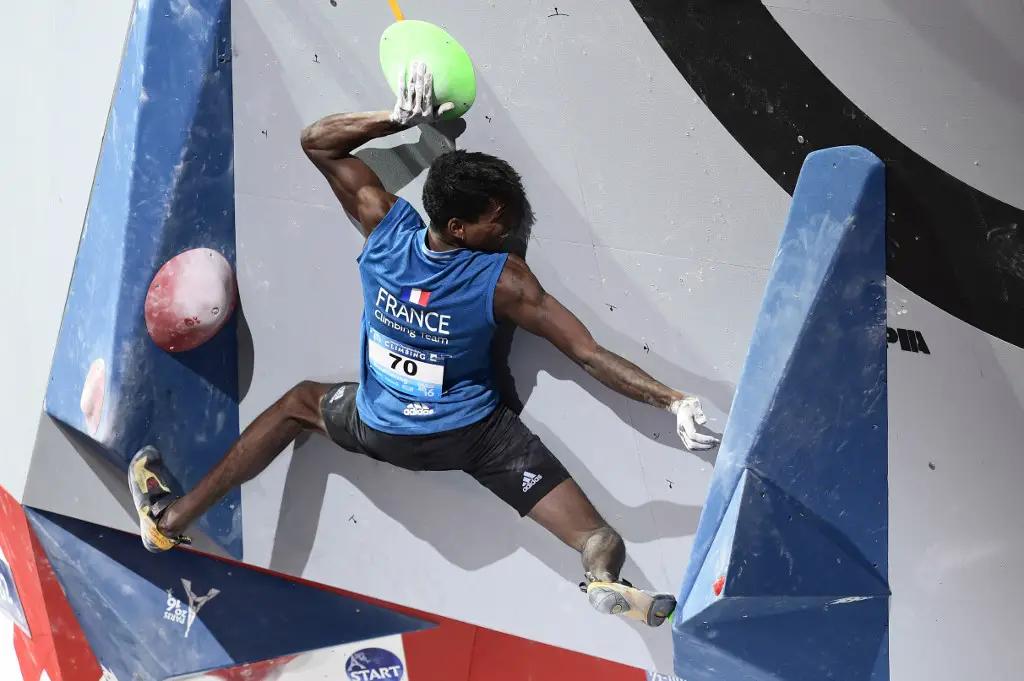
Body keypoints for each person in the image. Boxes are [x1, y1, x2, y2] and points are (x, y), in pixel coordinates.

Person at [129, 61, 719, 628]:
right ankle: (599, 574)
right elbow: (587, 353)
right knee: (596, 535)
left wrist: (396, 118)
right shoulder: (504, 281)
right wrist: (673, 401)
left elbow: (317, 143)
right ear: (460, 228)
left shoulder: (384, 228)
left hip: (381, 426)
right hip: (476, 438)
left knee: (298, 404)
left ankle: (169, 521)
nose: (510, 225)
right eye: (499, 219)